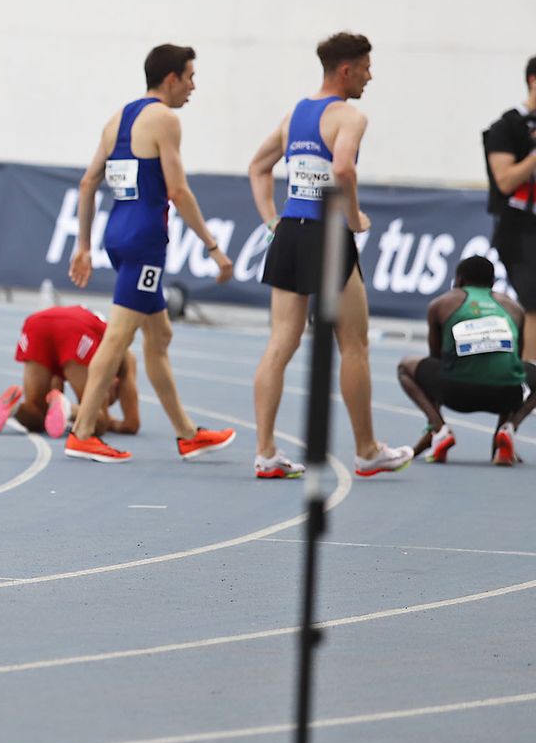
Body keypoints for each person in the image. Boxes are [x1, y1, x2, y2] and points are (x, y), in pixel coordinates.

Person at [247, 32, 413, 479]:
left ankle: (265, 452)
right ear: (346, 70)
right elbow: (342, 167)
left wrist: (270, 221)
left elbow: (258, 167)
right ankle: (366, 450)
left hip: (291, 232)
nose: (370, 75)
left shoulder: (294, 115)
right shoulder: (350, 117)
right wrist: (354, 215)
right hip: (328, 234)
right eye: (366, 67)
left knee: (281, 342)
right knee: (353, 345)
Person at [64, 43, 237, 464]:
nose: (194, 87)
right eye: (191, 77)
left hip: (117, 234)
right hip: (144, 241)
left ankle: (187, 433)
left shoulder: (117, 119)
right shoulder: (165, 119)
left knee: (159, 336)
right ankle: (83, 431)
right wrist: (213, 248)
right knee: (119, 335)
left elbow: (88, 183)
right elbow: (177, 191)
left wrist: (83, 245)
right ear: (171, 78)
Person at [398, 255, 533, 466]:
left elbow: (437, 359)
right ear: (493, 284)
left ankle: (440, 430)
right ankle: (507, 431)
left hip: (455, 393)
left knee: (406, 367)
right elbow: (513, 362)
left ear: (458, 281)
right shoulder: (514, 308)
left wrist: (432, 422)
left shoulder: (441, 304)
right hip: (506, 396)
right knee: (512, 368)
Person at [0, 305, 141, 439]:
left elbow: (53, 395)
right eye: (115, 396)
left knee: (38, 412)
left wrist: (57, 411)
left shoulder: (98, 338)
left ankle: (14, 406)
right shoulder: (125, 356)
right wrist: (104, 419)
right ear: (115, 381)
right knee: (95, 422)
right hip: (75, 330)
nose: (109, 400)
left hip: (38, 324)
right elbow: (131, 424)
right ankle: (69, 409)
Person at [482, 55, 536, 360]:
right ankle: (529, 382)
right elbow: (504, 180)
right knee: (533, 304)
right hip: (520, 229)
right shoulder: (507, 127)